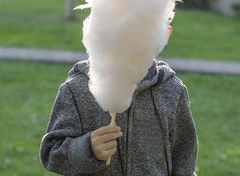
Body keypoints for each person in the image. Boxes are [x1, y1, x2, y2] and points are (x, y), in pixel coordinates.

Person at [40, 25, 198, 176]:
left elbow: (184, 160)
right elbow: (51, 154)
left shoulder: (172, 91)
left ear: (164, 34)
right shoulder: (77, 89)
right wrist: (87, 149)